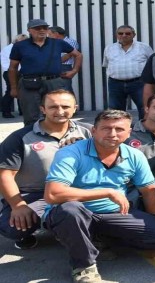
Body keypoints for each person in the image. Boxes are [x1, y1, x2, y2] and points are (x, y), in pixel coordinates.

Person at [43, 110, 155, 283]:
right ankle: (83, 266)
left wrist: (154, 225)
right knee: (71, 210)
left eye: (119, 129)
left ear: (128, 133)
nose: (112, 134)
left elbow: (149, 192)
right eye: (106, 128)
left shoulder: (134, 155)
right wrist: (106, 192)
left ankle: (95, 238)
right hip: (75, 213)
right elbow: (52, 194)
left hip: (113, 213)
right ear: (94, 131)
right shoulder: (71, 153)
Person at [0, 90, 90, 250]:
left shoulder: (89, 132)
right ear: (43, 109)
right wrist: (18, 205)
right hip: (37, 195)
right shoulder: (21, 137)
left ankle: (72, 227)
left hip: (79, 191)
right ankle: (40, 227)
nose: (60, 111)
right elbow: (5, 175)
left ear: (75, 108)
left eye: (65, 106)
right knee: (12, 227)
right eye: (53, 107)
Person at [8, 19, 82, 125]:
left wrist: (74, 71)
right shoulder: (20, 46)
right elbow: (12, 68)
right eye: (37, 28)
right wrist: (14, 88)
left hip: (54, 82)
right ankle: (32, 135)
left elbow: (78, 55)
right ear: (29, 30)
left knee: (57, 112)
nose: (42, 30)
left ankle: (56, 133)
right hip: (29, 83)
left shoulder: (57, 43)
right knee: (31, 115)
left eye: (45, 28)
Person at [102, 25, 154, 121]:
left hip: (139, 83)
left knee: (144, 107)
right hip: (115, 83)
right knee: (115, 110)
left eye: (128, 33)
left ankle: (144, 127)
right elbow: (106, 64)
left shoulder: (144, 47)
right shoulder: (109, 48)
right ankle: (119, 126)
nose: (124, 35)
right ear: (116, 35)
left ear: (134, 35)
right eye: (120, 33)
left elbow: (152, 64)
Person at [48, 26, 81, 93]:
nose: (48, 37)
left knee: (65, 90)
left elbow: (68, 55)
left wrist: (53, 62)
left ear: (56, 34)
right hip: (52, 68)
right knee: (54, 90)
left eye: (50, 34)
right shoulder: (53, 43)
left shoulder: (70, 42)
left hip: (64, 67)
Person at [1, 34, 27, 118]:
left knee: (20, 91)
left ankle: (20, 110)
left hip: (14, 71)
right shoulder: (10, 49)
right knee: (11, 91)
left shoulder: (10, 48)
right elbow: (13, 63)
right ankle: (6, 111)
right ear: (17, 41)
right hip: (11, 72)